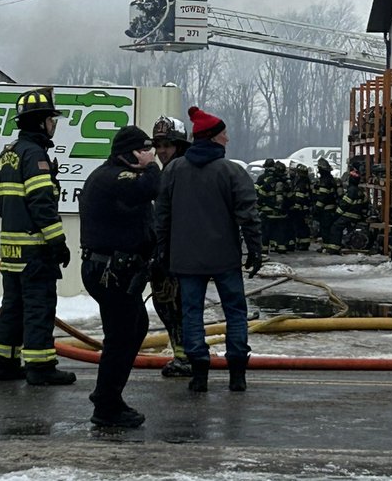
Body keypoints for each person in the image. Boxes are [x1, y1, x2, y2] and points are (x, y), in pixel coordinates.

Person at [155, 105, 262, 393]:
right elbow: (248, 215)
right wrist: (254, 249)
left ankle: (199, 372)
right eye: (225, 134)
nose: (227, 139)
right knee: (235, 312)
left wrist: (162, 251)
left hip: (185, 259)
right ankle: (237, 373)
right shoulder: (232, 172)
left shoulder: (174, 171)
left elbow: (161, 217)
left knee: (191, 313)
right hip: (225, 257)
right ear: (214, 137)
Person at [0, 86, 75, 385]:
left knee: (12, 307)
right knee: (39, 306)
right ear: (40, 122)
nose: (54, 125)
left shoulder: (8, 154)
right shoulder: (35, 156)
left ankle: (5, 363)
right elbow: (42, 203)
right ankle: (41, 367)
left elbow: (4, 204)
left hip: (11, 249)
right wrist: (58, 243)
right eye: (52, 120)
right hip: (35, 250)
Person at [79, 125, 160, 428]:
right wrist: (152, 165)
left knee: (134, 327)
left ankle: (107, 395)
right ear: (131, 153)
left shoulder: (117, 177)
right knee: (122, 334)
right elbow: (151, 188)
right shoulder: (115, 177)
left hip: (117, 270)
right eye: (145, 149)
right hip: (109, 271)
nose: (151, 155)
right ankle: (106, 405)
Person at [149, 115, 191, 376]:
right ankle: (184, 353)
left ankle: (185, 356)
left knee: (175, 306)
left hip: (178, 254)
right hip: (170, 252)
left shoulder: (179, 173)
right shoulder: (169, 172)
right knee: (168, 306)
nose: (162, 151)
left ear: (180, 145)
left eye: (167, 145)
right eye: (159, 146)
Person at [314, 156, 339, 251]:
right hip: (331, 208)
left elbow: (323, 197)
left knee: (325, 228)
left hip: (326, 209)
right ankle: (326, 246)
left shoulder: (325, 181)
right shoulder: (330, 179)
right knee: (326, 228)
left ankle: (327, 247)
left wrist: (317, 208)